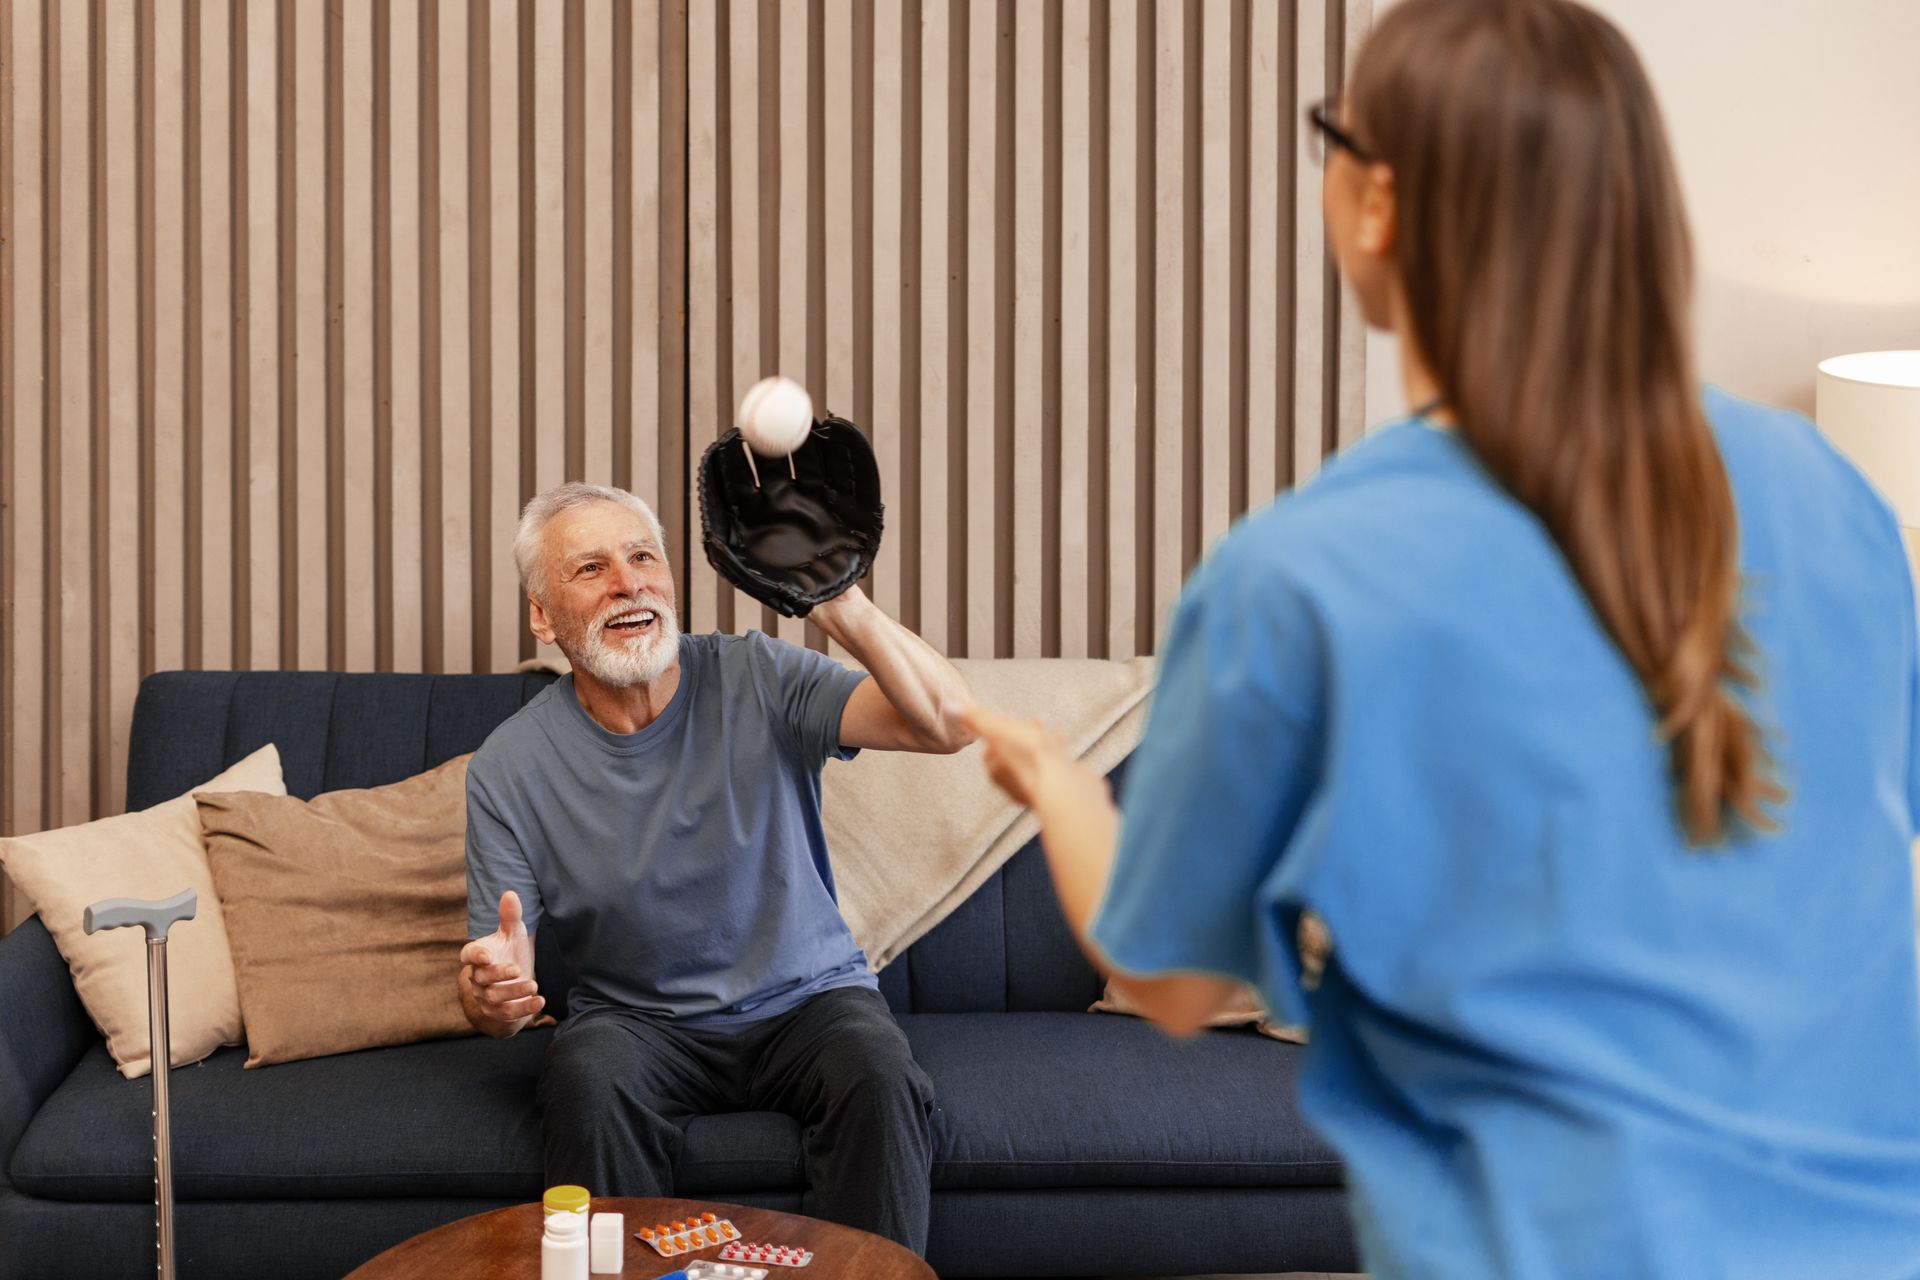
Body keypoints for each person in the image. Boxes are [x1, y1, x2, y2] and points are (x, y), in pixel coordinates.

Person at [964, 1, 1920, 1275]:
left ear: (1379, 202)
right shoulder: (1837, 498)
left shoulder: (1301, 574)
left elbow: (1173, 974)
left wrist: (1056, 781)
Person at [457, 480, 974, 1255]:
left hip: (808, 1002)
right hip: (639, 1024)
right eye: (591, 568)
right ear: (542, 616)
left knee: (880, 1074)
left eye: (643, 557)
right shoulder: (508, 766)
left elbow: (951, 725)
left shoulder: (758, 674)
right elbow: (502, 991)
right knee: (586, 1075)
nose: (628, 583)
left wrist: (839, 602)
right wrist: (492, 998)